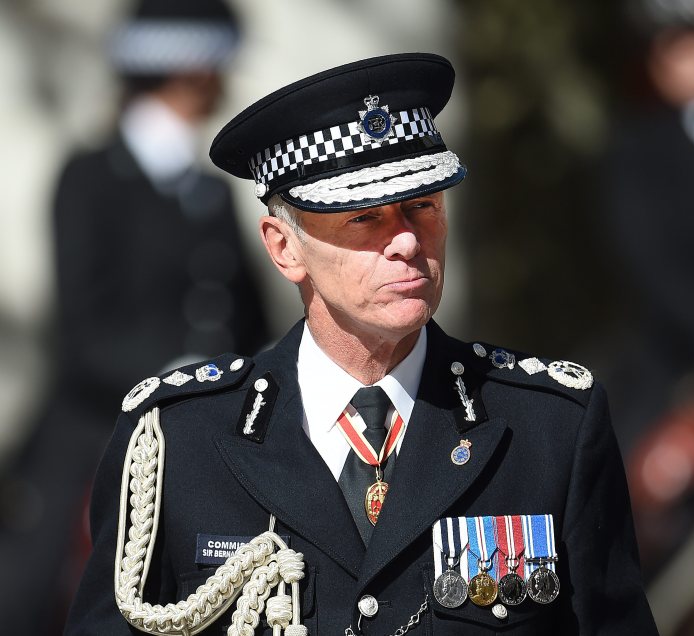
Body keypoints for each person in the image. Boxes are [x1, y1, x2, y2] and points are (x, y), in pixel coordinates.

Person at [65, 53, 660, 635]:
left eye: (421, 206)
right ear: (284, 248)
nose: (405, 242)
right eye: (363, 218)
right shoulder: (176, 442)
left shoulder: (549, 429)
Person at [0, 2, 269, 633]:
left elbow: (247, 320)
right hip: (101, 429)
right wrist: (181, 375)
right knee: (30, 598)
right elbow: (85, 334)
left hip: (211, 427)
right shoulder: (91, 177)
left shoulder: (208, 190)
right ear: (192, 71)